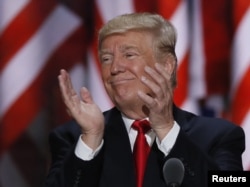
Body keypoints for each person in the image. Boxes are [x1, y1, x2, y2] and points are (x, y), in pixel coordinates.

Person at [44, 12, 245, 187]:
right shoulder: (73, 137)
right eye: (106, 59)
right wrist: (91, 138)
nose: (114, 68)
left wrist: (168, 131)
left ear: (167, 66)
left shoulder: (219, 136)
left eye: (129, 55)